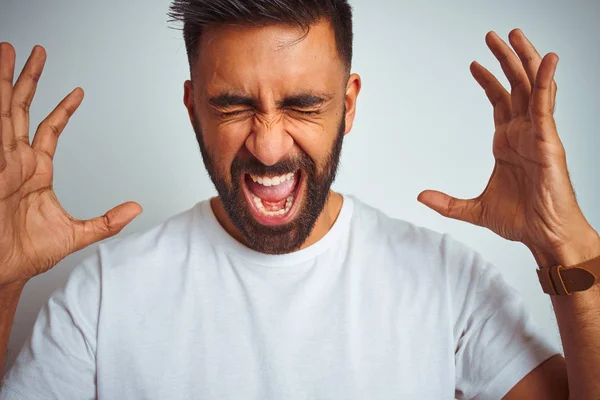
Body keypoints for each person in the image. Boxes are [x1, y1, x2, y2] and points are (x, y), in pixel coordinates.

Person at [0, 0, 599, 398]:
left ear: (350, 103)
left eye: (302, 105)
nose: (266, 146)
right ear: (191, 108)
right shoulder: (102, 295)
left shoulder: (446, 282)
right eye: (232, 106)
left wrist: (566, 246)